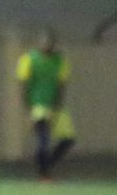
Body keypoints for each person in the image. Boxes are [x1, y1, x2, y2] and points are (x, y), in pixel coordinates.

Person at [17, 27, 76, 180]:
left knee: (68, 139)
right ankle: (44, 173)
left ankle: (47, 164)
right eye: (43, 42)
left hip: (55, 106)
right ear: (38, 43)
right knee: (44, 139)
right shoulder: (28, 59)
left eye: (49, 42)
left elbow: (62, 85)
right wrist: (28, 109)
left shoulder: (60, 61)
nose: (46, 45)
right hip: (38, 106)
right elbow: (24, 85)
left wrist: (57, 107)